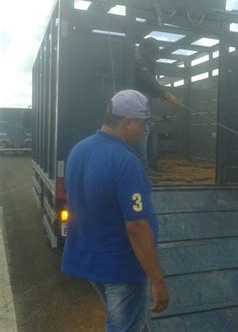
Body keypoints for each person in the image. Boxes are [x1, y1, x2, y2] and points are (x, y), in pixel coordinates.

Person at [61, 89, 169, 331]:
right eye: (143, 124)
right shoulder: (126, 161)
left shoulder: (79, 149)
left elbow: (76, 200)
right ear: (127, 122)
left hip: (91, 260)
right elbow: (136, 227)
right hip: (121, 267)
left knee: (124, 321)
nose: (145, 131)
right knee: (124, 327)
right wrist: (157, 279)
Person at [135, 37, 179, 174]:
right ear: (142, 49)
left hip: (145, 102)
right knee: (144, 131)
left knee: (151, 129)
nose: (155, 55)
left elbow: (150, 85)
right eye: (152, 51)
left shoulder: (148, 62)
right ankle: (143, 168)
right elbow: (147, 79)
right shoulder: (137, 61)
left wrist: (158, 94)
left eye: (157, 52)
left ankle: (153, 164)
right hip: (135, 104)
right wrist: (166, 94)